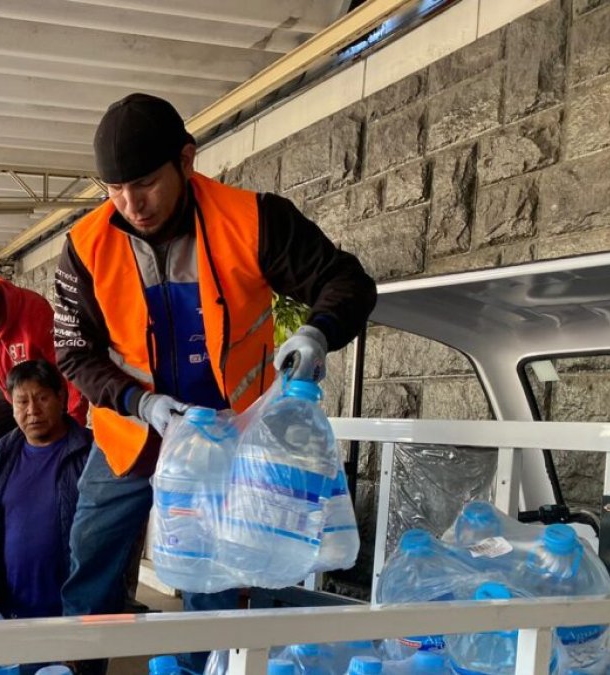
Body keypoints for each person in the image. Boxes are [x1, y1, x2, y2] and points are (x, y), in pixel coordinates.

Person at [55, 93, 377, 673]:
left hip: (227, 442)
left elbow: (346, 281)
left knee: (214, 586)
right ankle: (79, 670)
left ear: (186, 159)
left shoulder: (254, 220)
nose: (132, 203)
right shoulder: (84, 247)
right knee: (91, 562)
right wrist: (140, 402)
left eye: (147, 182)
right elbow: (73, 352)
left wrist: (316, 334)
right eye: (115, 188)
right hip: (132, 435)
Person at [0, 359, 92, 620]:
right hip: (9, 611)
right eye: (22, 402)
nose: (32, 410)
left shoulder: (90, 454)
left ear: (62, 397)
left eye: (42, 398)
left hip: (75, 613)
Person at [0, 268, 88, 482]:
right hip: (8, 390)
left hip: (46, 389)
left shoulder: (33, 310)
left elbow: (67, 366)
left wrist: (75, 416)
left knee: (49, 447)